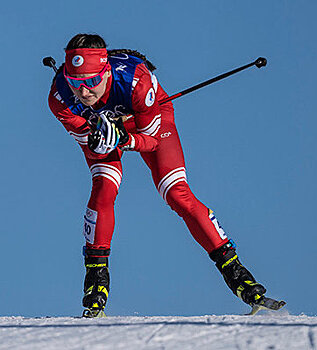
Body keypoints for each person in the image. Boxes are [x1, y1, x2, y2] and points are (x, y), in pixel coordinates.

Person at [47, 33, 279, 317]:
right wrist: (98, 136)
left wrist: (124, 138)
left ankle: (236, 272)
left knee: (177, 194)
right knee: (104, 186)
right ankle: (96, 281)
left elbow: (151, 140)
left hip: (148, 121)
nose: (83, 92)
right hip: (104, 128)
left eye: (92, 82)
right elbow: (88, 137)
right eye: (76, 83)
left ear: (106, 72)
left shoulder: (136, 81)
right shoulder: (59, 97)